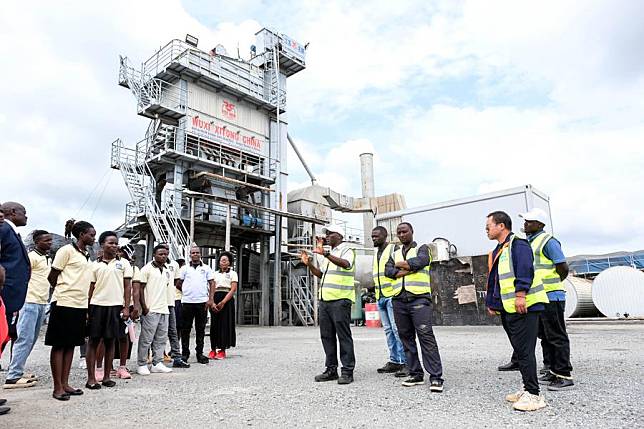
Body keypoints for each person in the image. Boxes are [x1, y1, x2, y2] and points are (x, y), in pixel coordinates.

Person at [485, 211, 548, 411]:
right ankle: (527, 388)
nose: (486, 229)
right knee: (520, 351)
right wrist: (493, 304)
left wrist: (521, 294)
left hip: (525, 305)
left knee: (525, 350)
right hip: (509, 308)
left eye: (489, 225)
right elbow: (497, 279)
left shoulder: (517, 244)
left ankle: (534, 395)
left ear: (501, 226)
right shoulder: (499, 250)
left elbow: (524, 269)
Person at [384, 222, 444, 393]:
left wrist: (401, 266)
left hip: (419, 299)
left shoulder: (423, 248)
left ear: (412, 232)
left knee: (426, 337)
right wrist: (410, 268)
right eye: (399, 232)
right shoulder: (394, 253)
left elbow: (422, 261)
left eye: (405, 231)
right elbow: (388, 272)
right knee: (406, 338)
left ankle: (436, 377)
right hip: (399, 300)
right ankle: (415, 373)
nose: (402, 235)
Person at [519, 208, 573, 390]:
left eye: (529, 221)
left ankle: (564, 374)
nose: (525, 224)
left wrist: (554, 283)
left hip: (552, 295)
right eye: (525, 221)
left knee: (556, 335)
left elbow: (562, 267)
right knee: (545, 336)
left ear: (539, 225)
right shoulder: (530, 242)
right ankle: (551, 369)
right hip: (540, 297)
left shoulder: (548, 242)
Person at [46, 221, 96, 401]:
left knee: (71, 345)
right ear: (81, 234)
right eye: (91, 234)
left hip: (80, 305)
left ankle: (65, 383)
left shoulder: (86, 255)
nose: (93, 237)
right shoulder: (66, 251)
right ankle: (57, 387)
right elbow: (52, 275)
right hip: (64, 302)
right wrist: (63, 289)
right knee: (59, 344)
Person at [300, 225, 356, 385]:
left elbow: (346, 264)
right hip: (325, 300)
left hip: (341, 300)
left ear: (339, 235)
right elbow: (320, 274)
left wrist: (325, 253)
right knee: (327, 336)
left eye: (330, 234)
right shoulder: (328, 255)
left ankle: (347, 371)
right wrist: (309, 264)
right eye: (327, 234)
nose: (327, 236)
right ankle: (331, 369)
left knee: (343, 336)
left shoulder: (347, 250)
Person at [4, 230, 52, 389]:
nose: (49, 243)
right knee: (24, 338)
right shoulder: (31, 258)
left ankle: (17, 369)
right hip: (30, 301)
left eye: (50, 240)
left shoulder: (47, 258)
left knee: (30, 339)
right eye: (46, 240)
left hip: (41, 302)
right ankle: (13, 376)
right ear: (37, 242)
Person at [84, 231, 132, 389]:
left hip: (115, 306)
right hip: (97, 306)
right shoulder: (94, 265)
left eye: (116, 242)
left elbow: (127, 286)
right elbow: (90, 288)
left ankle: (106, 377)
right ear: (102, 244)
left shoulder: (124, 263)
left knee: (111, 341)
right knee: (93, 341)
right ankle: (91, 378)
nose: (114, 245)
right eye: (110, 242)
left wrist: (126, 307)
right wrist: (87, 307)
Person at [370, 226, 407, 376]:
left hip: (392, 295)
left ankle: (405, 362)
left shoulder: (394, 249)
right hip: (380, 296)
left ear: (385, 236)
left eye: (376, 236)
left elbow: (402, 267)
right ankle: (394, 361)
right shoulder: (376, 252)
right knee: (388, 331)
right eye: (372, 236)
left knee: (397, 329)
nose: (373, 238)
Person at [133, 245, 173, 375]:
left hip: (164, 309)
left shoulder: (167, 270)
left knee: (161, 339)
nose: (163, 256)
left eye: (165, 254)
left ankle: (157, 363)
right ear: (154, 255)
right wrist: (144, 307)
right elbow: (140, 289)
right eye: (160, 254)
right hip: (151, 309)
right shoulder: (146, 269)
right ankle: (142, 364)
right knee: (146, 339)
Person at [0, 202, 30, 354]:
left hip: (11, 292)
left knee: (6, 332)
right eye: (23, 212)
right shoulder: (4, 229)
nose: (26, 216)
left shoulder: (11, 231)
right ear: (12, 212)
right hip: (5, 290)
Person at [176, 246, 213, 365]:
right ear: (189, 255)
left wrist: (210, 299)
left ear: (200, 254)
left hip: (202, 302)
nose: (195, 254)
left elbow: (212, 283)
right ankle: (185, 353)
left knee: (200, 329)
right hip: (187, 302)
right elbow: (178, 283)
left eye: (197, 252)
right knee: (185, 329)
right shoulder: (184, 269)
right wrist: (187, 292)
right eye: (193, 253)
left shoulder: (206, 268)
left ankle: (199, 353)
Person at [208, 251, 237, 360]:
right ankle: (213, 349)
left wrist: (223, 302)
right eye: (221, 260)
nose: (223, 262)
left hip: (227, 300)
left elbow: (233, 289)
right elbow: (212, 288)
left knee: (225, 324)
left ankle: (222, 350)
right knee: (214, 325)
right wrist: (212, 302)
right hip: (215, 297)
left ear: (229, 262)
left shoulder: (233, 274)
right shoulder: (215, 274)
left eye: (225, 260)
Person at [163, 249, 189, 368]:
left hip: (174, 300)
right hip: (160, 302)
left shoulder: (174, 265)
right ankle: (156, 355)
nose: (165, 254)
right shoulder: (150, 267)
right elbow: (178, 284)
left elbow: (177, 282)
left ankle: (175, 354)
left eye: (167, 251)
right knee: (159, 331)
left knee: (175, 329)